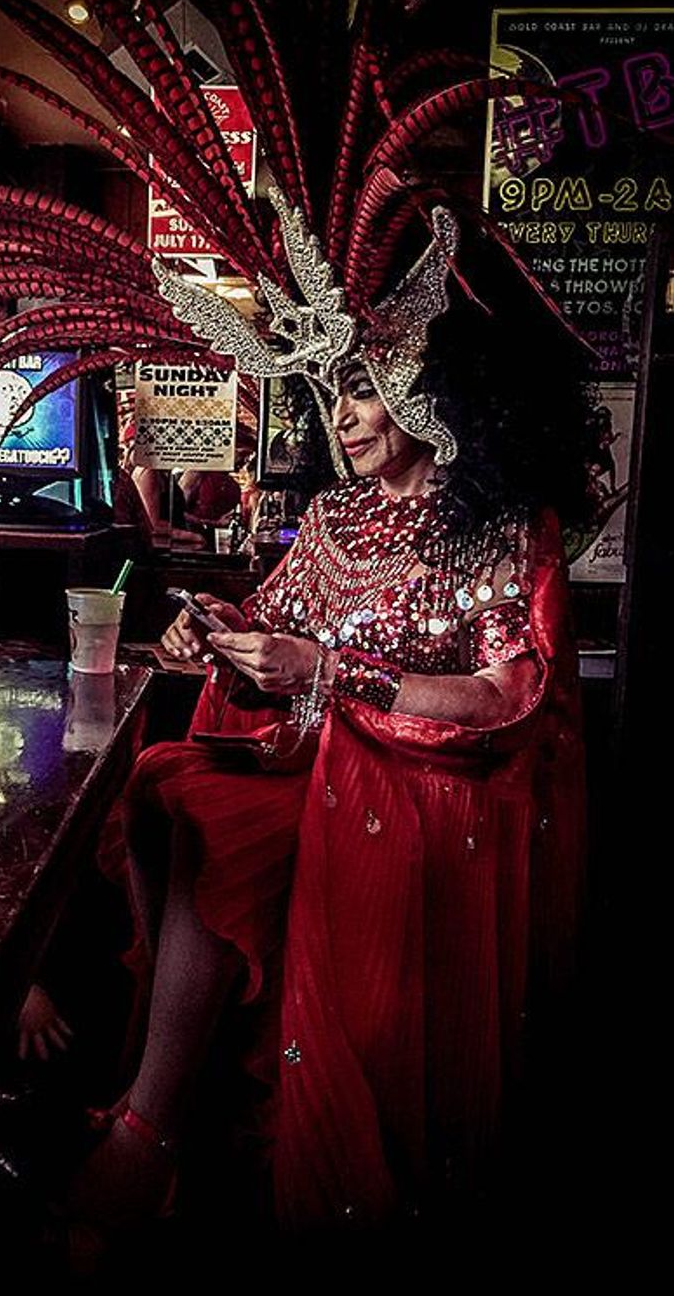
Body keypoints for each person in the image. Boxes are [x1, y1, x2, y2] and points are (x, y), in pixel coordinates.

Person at [60, 225, 601, 1246]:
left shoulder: (496, 524)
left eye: (361, 386)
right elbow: (269, 621)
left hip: (430, 800)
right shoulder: (335, 517)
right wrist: (209, 628)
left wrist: (335, 673)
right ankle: (160, 1112)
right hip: (321, 775)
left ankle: (149, 1128)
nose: (340, 415)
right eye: (331, 390)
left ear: (434, 392)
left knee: (202, 808)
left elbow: (507, 694)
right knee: (167, 780)